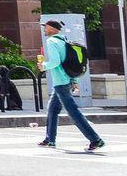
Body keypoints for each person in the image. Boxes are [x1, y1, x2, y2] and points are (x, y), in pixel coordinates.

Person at [38, 17, 105, 151]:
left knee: (73, 112)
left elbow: (55, 62)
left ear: (51, 29)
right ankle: (50, 139)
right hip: (67, 79)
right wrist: (74, 81)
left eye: (45, 27)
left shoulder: (51, 41)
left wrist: (43, 66)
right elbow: (70, 61)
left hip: (61, 82)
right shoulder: (64, 41)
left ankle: (95, 139)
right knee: (52, 110)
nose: (44, 29)